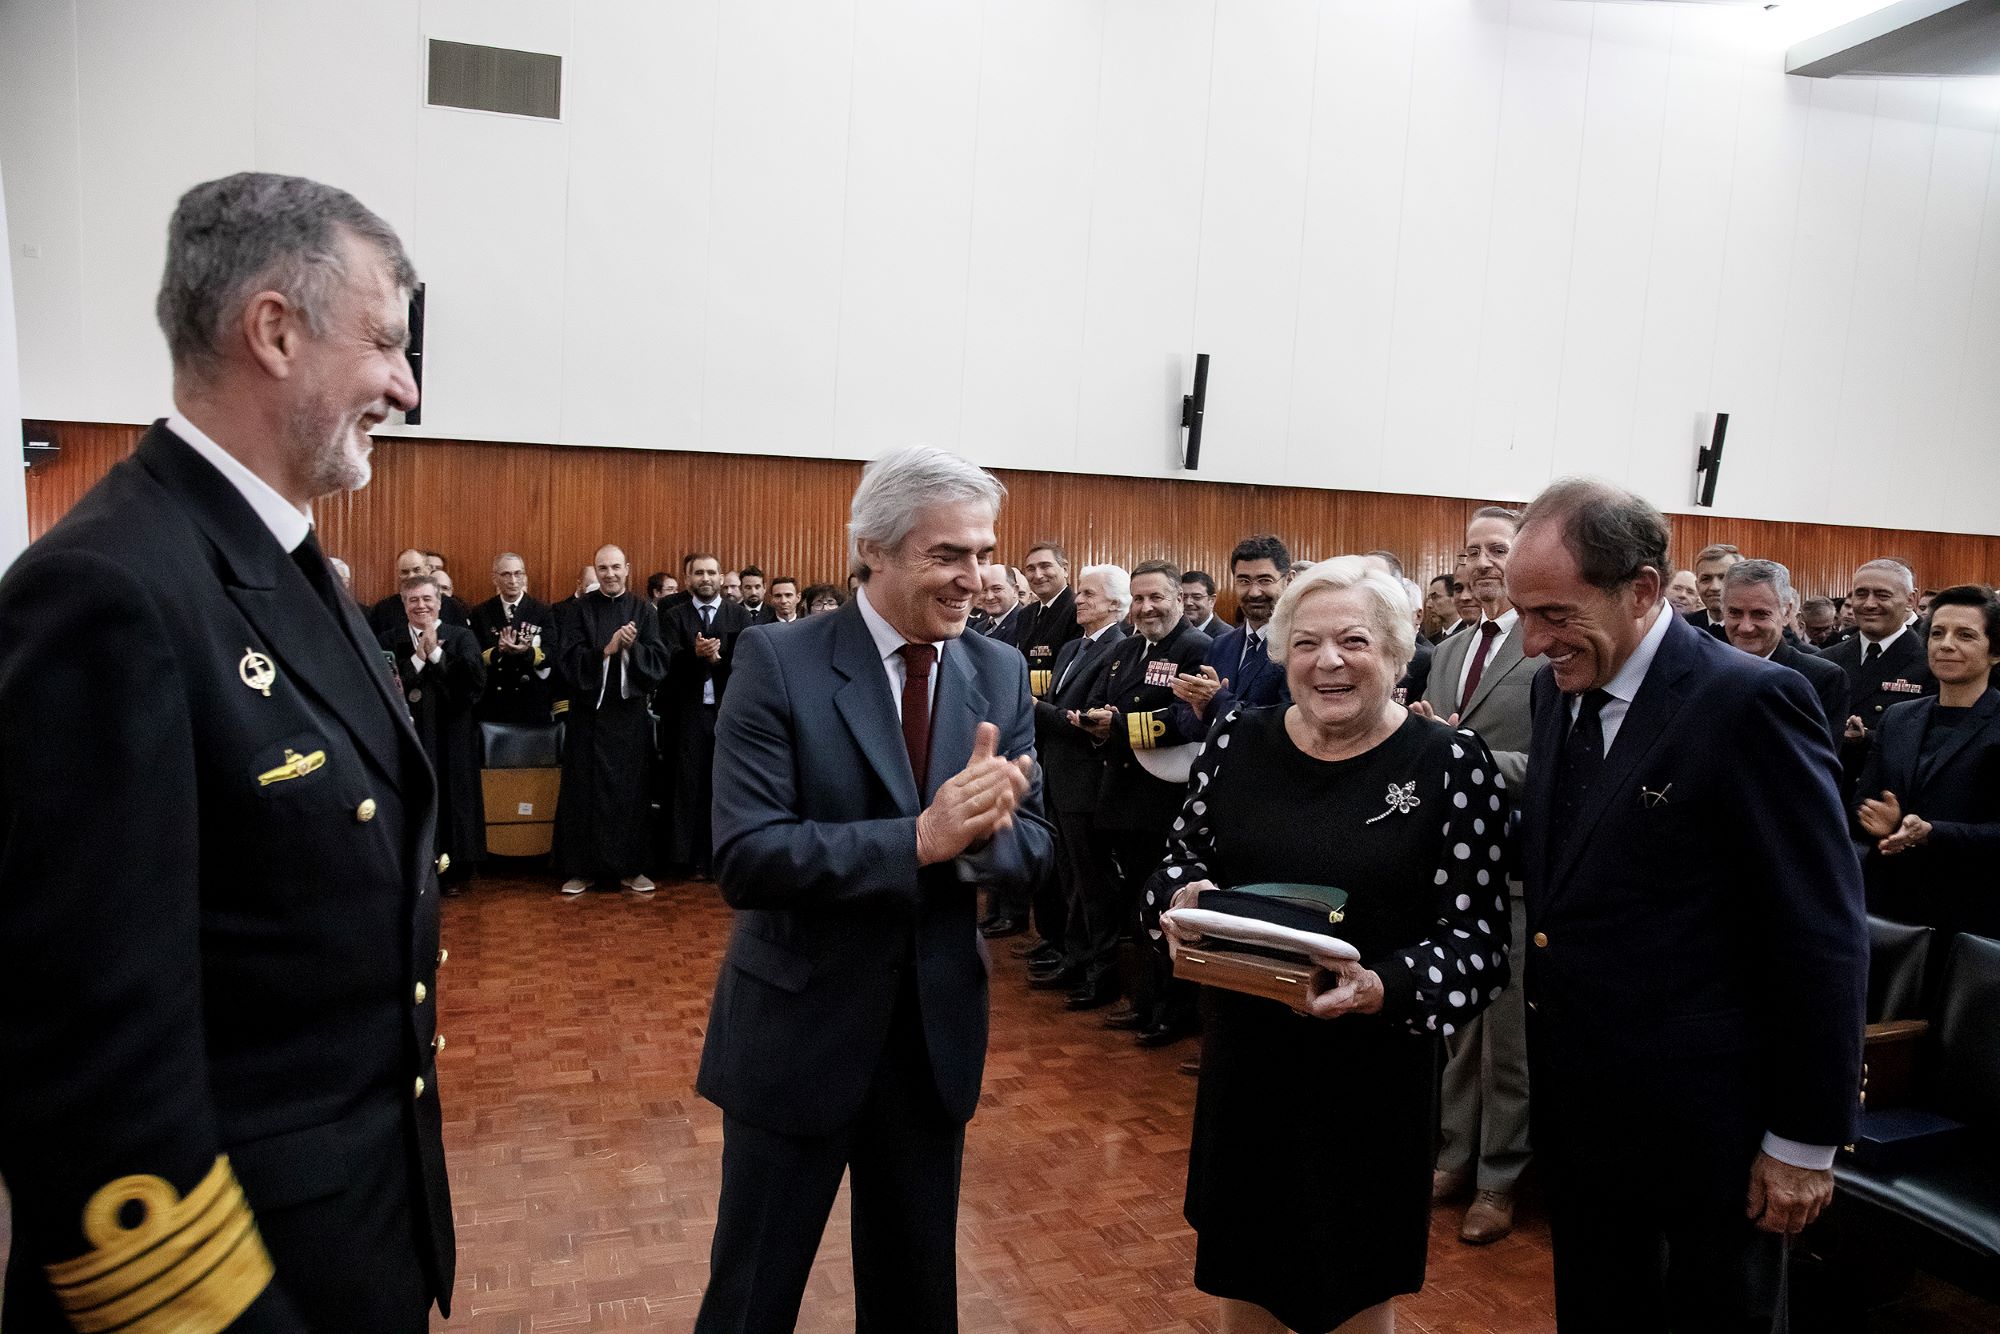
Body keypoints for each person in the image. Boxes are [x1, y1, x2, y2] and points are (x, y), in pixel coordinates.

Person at [0, 171, 453, 1332]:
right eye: (389, 345)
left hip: (350, 1235)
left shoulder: (276, 563)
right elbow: (88, 1072)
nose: (407, 386)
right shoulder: (110, 592)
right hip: (237, 1288)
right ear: (273, 329)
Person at [694, 446, 1053, 1332]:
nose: (976, 579)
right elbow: (746, 856)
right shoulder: (778, 659)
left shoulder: (997, 672)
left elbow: (1038, 848)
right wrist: (919, 840)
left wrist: (985, 839)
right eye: (948, 555)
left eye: (984, 553)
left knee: (916, 1301)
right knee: (752, 1299)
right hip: (797, 1036)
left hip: (932, 1044)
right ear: (873, 550)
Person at [1507, 478, 1865, 1330]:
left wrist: (1804, 1143)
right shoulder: (1558, 688)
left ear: (1639, 588)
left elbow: (1819, 931)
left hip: (1715, 1133)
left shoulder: (1750, 702)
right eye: (1524, 613)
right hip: (1587, 1117)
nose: (1531, 641)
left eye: (1554, 613)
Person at [1158, 556, 1511, 1334]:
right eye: (1307, 643)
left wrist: (1382, 986)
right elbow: (1180, 858)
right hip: (1247, 1061)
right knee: (1244, 1273)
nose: (1329, 662)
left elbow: (1479, 944)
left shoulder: (1451, 766)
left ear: (1394, 651)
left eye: (1354, 640)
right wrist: (1179, 900)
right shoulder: (1235, 741)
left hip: (1371, 1075)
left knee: (1355, 1285)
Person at [1415, 505, 1539, 1246]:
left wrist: (1461, 754)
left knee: (1510, 1040)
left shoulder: (1547, 643)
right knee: (1459, 1026)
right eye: (1474, 551)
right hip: (1452, 867)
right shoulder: (1451, 647)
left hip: (1520, 865)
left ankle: (1500, 1177)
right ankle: (1454, 1155)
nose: (1484, 562)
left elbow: (1558, 763)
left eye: (1499, 549)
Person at [1084, 560, 1213, 1045]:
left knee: (1165, 911)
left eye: (1156, 597)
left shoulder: (1196, 648)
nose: (1146, 607)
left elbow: (1190, 720)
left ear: (1180, 598)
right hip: (1123, 795)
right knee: (1138, 909)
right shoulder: (1128, 649)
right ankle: (1145, 1001)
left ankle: (1172, 1011)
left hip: (1167, 802)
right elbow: (1110, 700)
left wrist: (1117, 725)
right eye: (1138, 599)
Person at [1855, 584, 2000, 942]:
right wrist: (1879, 821)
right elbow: (1863, 799)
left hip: (1972, 912)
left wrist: (1931, 832)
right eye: (1937, 633)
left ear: (1995, 651)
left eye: (1965, 635)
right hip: (1889, 904)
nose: (1946, 644)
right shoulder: (1899, 717)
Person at [1026, 564, 1132, 1007]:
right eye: (1081, 593)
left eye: (1088, 594)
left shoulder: (1118, 649)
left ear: (1115, 603)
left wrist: (1029, 704)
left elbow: (1085, 723)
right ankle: (1076, 957)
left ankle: (1102, 971)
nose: (1079, 600)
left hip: (1086, 781)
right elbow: (1061, 711)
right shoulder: (1072, 646)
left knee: (1093, 882)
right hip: (1058, 777)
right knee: (1069, 878)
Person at [550, 544, 669, 895]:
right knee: (582, 793)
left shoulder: (644, 610)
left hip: (628, 718)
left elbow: (659, 660)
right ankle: (581, 870)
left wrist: (632, 648)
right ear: (595, 572)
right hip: (588, 716)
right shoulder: (578, 611)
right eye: (603, 568)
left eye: (616, 567)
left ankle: (631, 869)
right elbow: (566, 659)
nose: (610, 574)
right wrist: (607, 650)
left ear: (627, 568)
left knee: (630, 793)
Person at [382, 574, 486, 892]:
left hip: (452, 737)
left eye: (427, 599)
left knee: (453, 799)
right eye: (413, 600)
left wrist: (438, 656)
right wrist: (417, 658)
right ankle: (415, 870)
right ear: (404, 604)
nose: (421, 605)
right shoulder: (388, 638)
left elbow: (473, 687)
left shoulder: (461, 637)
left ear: (439, 602)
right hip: (410, 737)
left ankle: (453, 871)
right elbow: (385, 686)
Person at [658, 553, 751, 880]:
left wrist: (717, 659)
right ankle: (687, 859)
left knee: (724, 786)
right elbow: (663, 665)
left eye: (712, 572)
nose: (706, 578)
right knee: (688, 785)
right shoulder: (672, 616)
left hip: (727, 713)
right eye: (699, 573)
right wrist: (693, 656)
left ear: (721, 576)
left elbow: (748, 666)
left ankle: (719, 857)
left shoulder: (738, 616)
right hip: (687, 714)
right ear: (688, 579)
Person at [1823, 558, 1936, 791]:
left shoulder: (1931, 663)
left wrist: (1868, 737)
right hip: (1831, 789)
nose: (1869, 604)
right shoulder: (1826, 659)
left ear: (1910, 600)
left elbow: (1932, 740)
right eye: (1861, 594)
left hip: (1888, 795)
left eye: (1882, 595)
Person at [1170, 534, 1293, 736]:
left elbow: (1287, 722)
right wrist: (1199, 709)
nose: (1254, 592)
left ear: (1288, 580)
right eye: (1244, 580)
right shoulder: (1221, 645)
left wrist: (1217, 702)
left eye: (1265, 580)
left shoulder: (1300, 644)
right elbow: (1188, 723)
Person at [1723, 560, 1848, 748]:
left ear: (1787, 612)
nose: (1745, 627)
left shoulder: (1821, 679)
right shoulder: (1704, 670)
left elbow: (1816, 764)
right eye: (1735, 613)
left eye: (1760, 614)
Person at [470, 551, 555, 725]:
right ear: (495, 579)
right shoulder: (481, 612)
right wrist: (497, 651)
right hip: (494, 704)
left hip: (531, 703)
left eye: (518, 573)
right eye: (506, 574)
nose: (513, 580)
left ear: (525, 576)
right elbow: (473, 657)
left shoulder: (542, 611)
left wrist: (527, 652)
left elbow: (552, 653)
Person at [1018, 541, 1083, 698]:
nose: (1038, 575)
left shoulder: (1077, 610)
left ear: (1065, 569)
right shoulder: (1025, 614)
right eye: (1031, 569)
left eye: (1045, 566)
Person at [1686, 542, 1741, 638]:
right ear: (1697, 585)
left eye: (1723, 578)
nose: (1715, 587)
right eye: (1706, 579)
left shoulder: (1752, 629)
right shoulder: (1685, 626)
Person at [978, 562, 1027, 649]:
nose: (989, 597)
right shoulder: (978, 627)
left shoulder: (1026, 625)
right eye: (984, 590)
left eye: (997, 589)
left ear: (1015, 590)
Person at [1181, 569, 1224, 636]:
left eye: (1197, 597)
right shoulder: (1172, 632)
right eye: (1183, 597)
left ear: (1212, 601)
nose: (1188, 602)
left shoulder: (1225, 637)